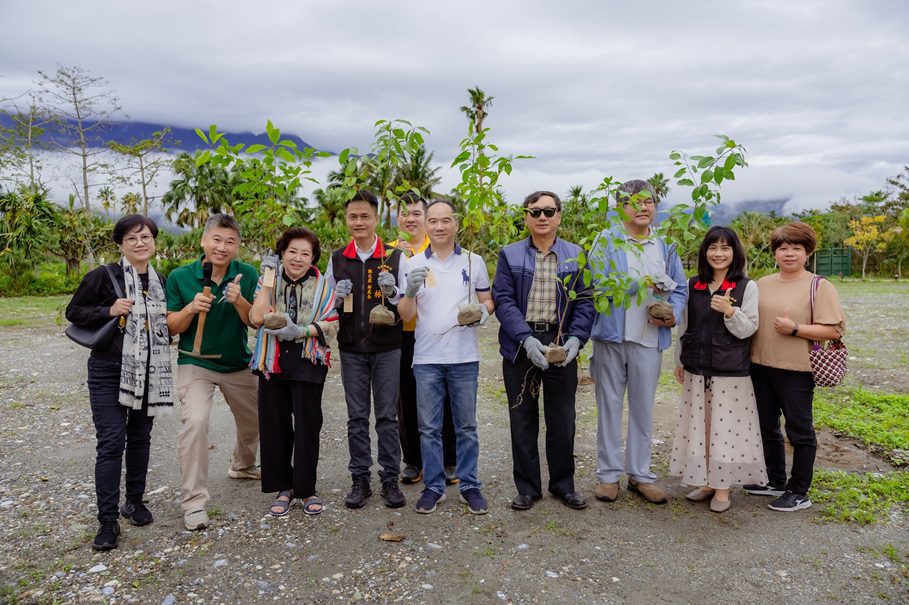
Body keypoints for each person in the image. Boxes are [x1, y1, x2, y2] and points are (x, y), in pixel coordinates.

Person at [66, 214, 173, 551]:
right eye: (132, 239)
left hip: (150, 371)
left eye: (145, 237)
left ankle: (135, 502)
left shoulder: (162, 280)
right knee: (112, 442)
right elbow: (74, 312)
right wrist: (109, 310)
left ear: (154, 242)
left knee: (141, 438)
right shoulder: (103, 276)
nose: (140, 244)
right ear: (121, 244)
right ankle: (107, 520)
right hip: (109, 369)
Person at [492, 191, 595, 511]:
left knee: (562, 419)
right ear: (526, 217)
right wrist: (525, 338)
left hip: (560, 343)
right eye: (534, 211)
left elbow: (586, 300)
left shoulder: (577, 255)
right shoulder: (509, 255)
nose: (542, 217)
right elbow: (504, 300)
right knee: (522, 418)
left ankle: (563, 485)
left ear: (559, 216)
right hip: (521, 344)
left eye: (549, 211)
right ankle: (528, 488)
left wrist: (576, 340)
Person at [588, 180, 687, 505]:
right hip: (611, 338)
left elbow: (680, 289)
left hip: (649, 339)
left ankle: (641, 475)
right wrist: (637, 283)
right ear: (620, 207)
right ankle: (608, 476)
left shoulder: (665, 244)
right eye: (635, 202)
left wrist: (672, 314)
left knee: (644, 409)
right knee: (609, 406)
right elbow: (595, 286)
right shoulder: (606, 241)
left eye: (649, 202)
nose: (644, 207)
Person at [398, 199, 495, 515]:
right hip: (426, 357)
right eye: (433, 221)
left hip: (464, 356)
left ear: (456, 223)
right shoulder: (411, 265)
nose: (439, 226)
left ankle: (469, 485)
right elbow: (405, 314)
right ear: (425, 224)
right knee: (429, 427)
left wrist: (483, 311)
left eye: (446, 220)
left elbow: (487, 300)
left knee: (466, 426)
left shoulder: (473, 261)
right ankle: (434, 487)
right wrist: (410, 292)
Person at [165, 213, 260, 531]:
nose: (222, 246)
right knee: (195, 422)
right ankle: (193, 503)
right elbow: (171, 327)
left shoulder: (247, 273)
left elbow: (254, 320)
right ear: (203, 240)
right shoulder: (180, 276)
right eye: (216, 239)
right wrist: (191, 308)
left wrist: (239, 300)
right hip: (197, 363)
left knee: (257, 419)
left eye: (230, 241)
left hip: (237, 362)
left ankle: (243, 465)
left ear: (238, 246)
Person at [746, 221, 845, 512]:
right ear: (775, 252)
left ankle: (799, 490)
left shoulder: (819, 286)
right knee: (766, 427)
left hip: (797, 370)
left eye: (797, 248)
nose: (789, 253)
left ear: (807, 252)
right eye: (783, 248)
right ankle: (774, 480)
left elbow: (834, 331)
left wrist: (795, 328)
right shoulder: (762, 283)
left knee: (799, 431)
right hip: (760, 365)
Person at [669, 226, 767, 513]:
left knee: (726, 429)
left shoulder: (747, 286)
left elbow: (749, 328)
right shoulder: (693, 284)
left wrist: (730, 311)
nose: (719, 253)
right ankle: (709, 481)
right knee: (703, 426)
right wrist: (679, 361)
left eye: (725, 248)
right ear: (705, 252)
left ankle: (723, 488)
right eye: (713, 247)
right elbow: (685, 327)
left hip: (729, 371)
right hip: (697, 369)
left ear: (735, 252)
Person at [326, 189, 407, 509]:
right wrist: (336, 297)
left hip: (388, 347)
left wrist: (394, 291)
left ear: (376, 219)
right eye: (353, 216)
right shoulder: (337, 259)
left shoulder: (393, 257)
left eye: (365, 216)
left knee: (387, 416)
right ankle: (360, 478)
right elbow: (329, 306)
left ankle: (390, 477)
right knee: (357, 416)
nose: (359, 222)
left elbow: (407, 304)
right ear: (347, 221)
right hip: (351, 349)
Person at [249, 227, 338, 516]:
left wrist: (300, 331)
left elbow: (331, 324)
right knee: (274, 427)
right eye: (292, 252)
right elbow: (256, 317)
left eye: (305, 253)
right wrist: (267, 281)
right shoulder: (268, 280)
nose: (297, 258)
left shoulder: (324, 285)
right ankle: (283, 488)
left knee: (308, 428)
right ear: (281, 254)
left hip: (307, 362)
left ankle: (306, 489)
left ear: (313, 258)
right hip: (272, 362)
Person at [390, 193, 458, 486]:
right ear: (397, 219)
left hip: (436, 335)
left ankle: (449, 459)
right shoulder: (390, 252)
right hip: (402, 335)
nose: (410, 219)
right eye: (404, 214)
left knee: (445, 399)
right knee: (406, 400)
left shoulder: (439, 248)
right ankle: (413, 460)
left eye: (417, 213)